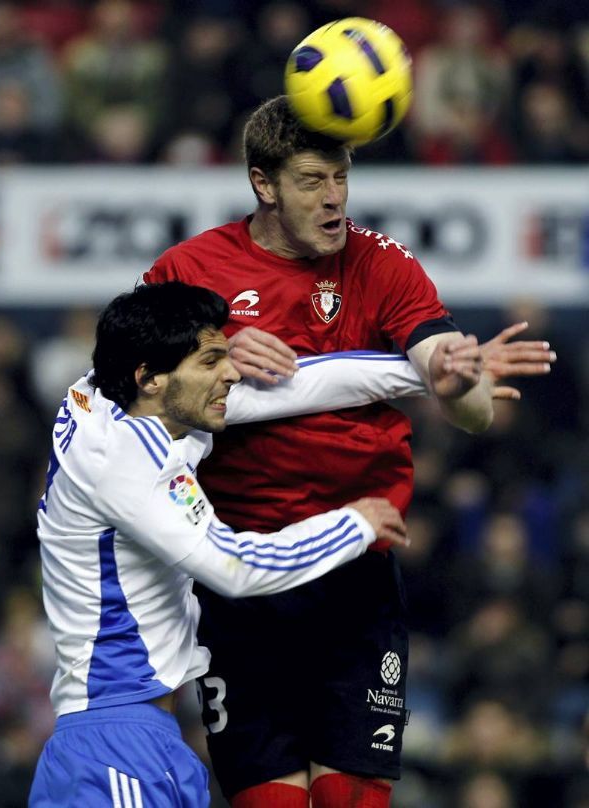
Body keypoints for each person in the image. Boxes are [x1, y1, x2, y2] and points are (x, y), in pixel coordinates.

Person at [145, 95, 555, 808]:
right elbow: (133, 401)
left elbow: (471, 406)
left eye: (341, 178)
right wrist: (212, 350)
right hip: (237, 572)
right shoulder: (189, 271)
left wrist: (455, 380)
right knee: (267, 799)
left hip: (353, 569)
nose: (334, 199)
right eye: (311, 181)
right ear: (262, 184)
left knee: (350, 798)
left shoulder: (382, 265)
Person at [31, 281, 438, 807]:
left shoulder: (106, 394)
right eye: (211, 361)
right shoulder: (125, 465)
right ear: (149, 378)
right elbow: (236, 567)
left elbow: (295, 387)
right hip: (113, 746)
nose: (231, 371)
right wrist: (353, 525)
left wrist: (432, 371)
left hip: (144, 738)